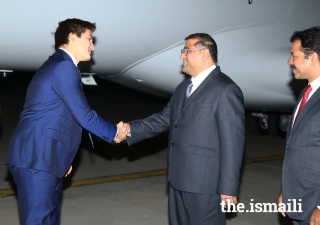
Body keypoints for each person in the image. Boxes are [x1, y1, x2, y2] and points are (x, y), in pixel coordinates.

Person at [5, 18, 127, 225]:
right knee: (38, 220)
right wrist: (114, 132)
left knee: (49, 220)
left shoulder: (60, 65)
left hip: (48, 157)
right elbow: (84, 115)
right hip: (37, 158)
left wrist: (63, 157)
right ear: (72, 36)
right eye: (89, 39)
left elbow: (63, 116)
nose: (92, 45)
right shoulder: (64, 67)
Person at [117, 33, 245, 225]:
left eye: (186, 50)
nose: (181, 56)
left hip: (206, 187)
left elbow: (233, 143)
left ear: (204, 53)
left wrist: (228, 187)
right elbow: (164, 119)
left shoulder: (225, 89)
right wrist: (129, 129)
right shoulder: (183, 87)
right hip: (178, 180)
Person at [279, 26, 320, 225]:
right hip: (299, 198)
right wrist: (287, 193)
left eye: (294, 56)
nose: (290, 62)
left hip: (315, 204)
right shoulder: (307, 92)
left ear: (312, 57)